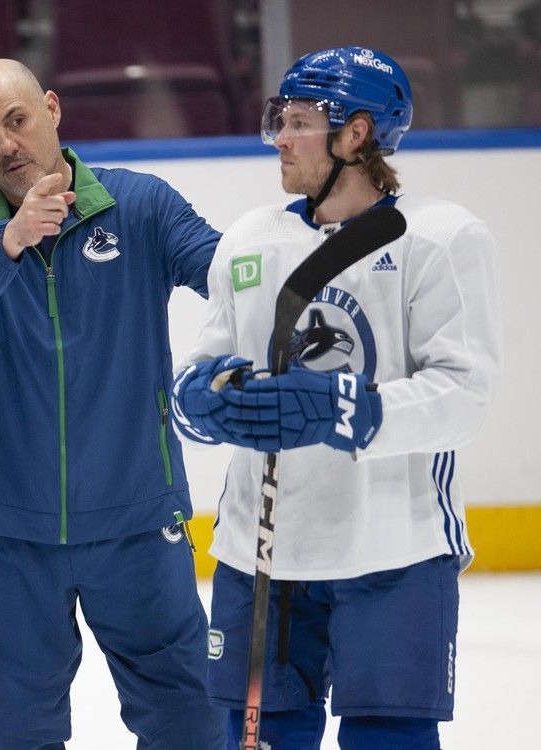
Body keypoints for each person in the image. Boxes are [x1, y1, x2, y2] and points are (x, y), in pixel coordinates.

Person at [171, 47, 501, 749]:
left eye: (298, 122)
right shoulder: (250, 238)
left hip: (394, 551)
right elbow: (201, 368)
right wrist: (201, 402)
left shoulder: (440, 238)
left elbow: (464, 395)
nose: (279, 138)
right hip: (260, 555)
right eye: (279, 119)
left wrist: (343, 409)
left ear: (356, 134)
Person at [0, 58, 227, 749]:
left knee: (190, 725)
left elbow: (230, 278)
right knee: (5, 737)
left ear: (52, 109)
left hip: (138, 521)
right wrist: (11, 237)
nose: (6, 146)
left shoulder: (141, 206)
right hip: (7, 534)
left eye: (17, 121)